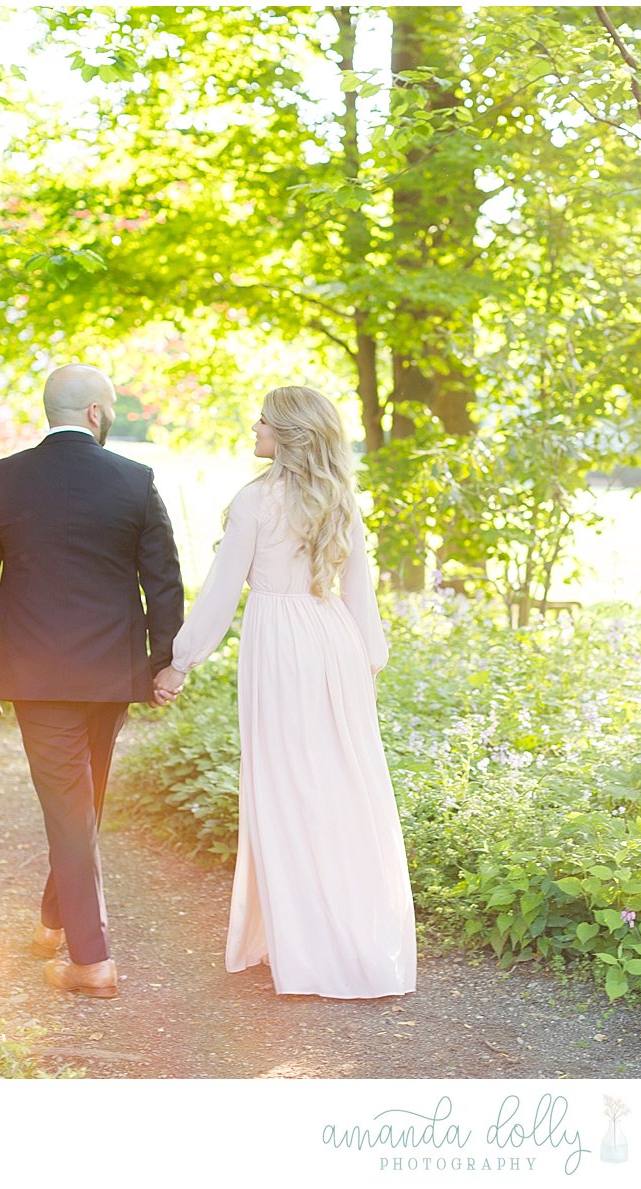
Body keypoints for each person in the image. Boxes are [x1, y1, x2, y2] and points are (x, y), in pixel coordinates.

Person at [153, 385, 417, 999]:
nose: (255, 427)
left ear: (289, 434)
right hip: (336, 644)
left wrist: (180, 662)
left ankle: (307, 948)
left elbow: (222, 592)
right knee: (339, 787)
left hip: (281, 645)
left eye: (264, 421)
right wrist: (367, 663)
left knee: (286, 786)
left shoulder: (255, 502)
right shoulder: (341, 501)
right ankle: (337, 938)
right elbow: (361, 597)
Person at [0, 363, 184, 1000]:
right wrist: (165, 659)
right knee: (81, 804)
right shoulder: (135, 481)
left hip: (33, 671)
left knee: (71, 808)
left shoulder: (4, 478)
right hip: (111, 670)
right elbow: (163, 577)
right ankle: (74, 937)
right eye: (110, 406)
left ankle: (86, 952)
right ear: (93, 413)